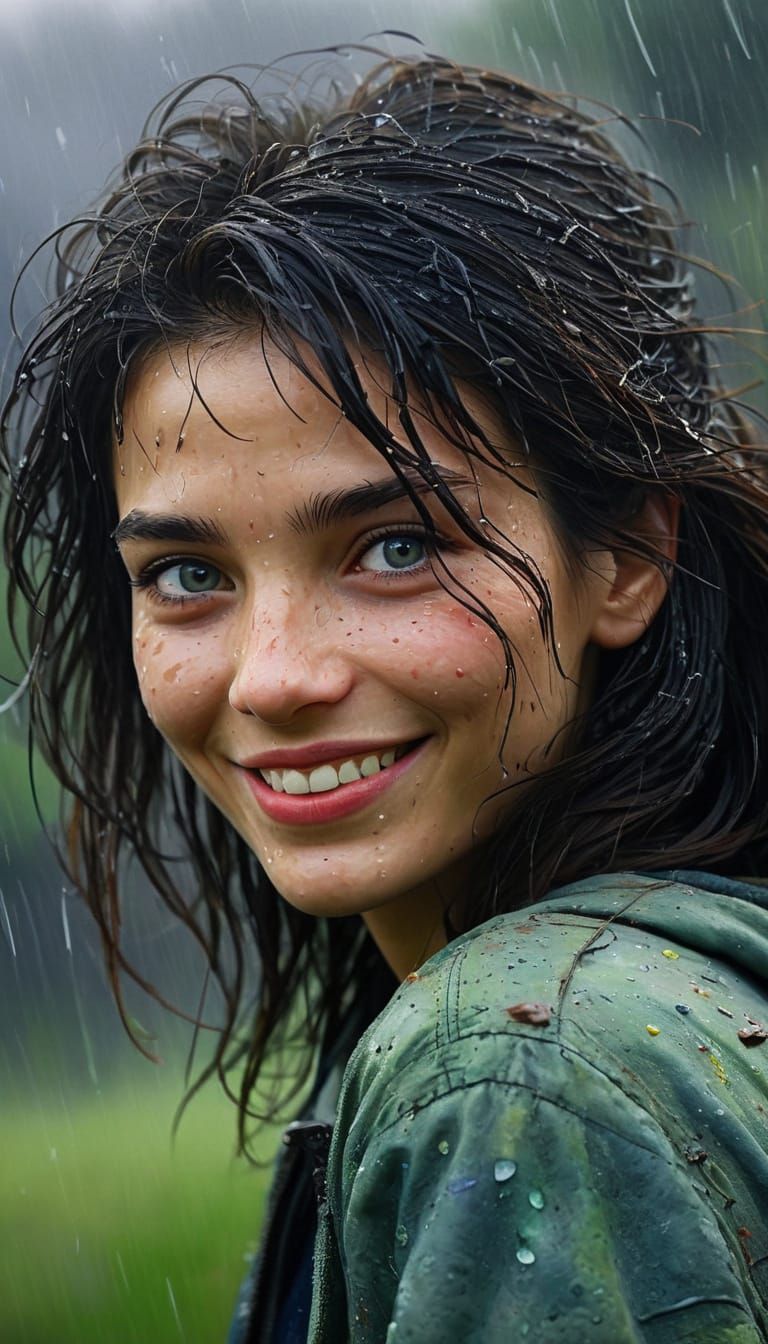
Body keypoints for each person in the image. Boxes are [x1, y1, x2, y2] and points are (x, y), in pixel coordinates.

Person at [3, 47, 768, 1343]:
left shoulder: (522, 1073)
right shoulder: (680, 989)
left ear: (628, 557)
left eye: (396, 546)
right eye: (188, 573)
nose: (277, 675)